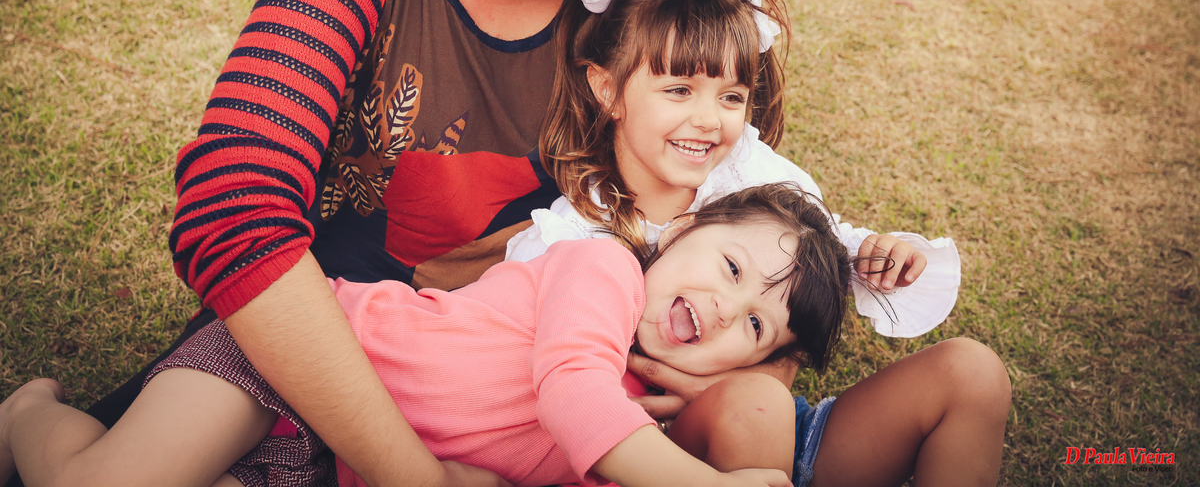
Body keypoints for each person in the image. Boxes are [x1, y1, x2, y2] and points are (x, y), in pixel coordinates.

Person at [23, 0, 773, 487]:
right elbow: (235, 208)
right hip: (310, 341)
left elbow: (736, 197)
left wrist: (752, 361)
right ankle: (30, 416)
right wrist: (415, 476)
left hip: (496, 392)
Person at [502, 0, 1011, 487]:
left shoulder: (746, 171)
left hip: (783, 435)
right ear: (607, 89)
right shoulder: (572, 237)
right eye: (679, 89)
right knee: (757, 403)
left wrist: (870, 256)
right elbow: (549, 388)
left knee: (972, 372)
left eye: (731, 96)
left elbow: (817, 246)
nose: (709, 119)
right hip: (660, 456)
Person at [0, 185, 852, 487]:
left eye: (753, 325)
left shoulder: (636, 431)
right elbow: (572, 391)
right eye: (730, 268)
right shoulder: (604, 271)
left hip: (336, 467)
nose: (722, 307)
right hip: (298, 363)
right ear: (684, 230)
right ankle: (29, 414)